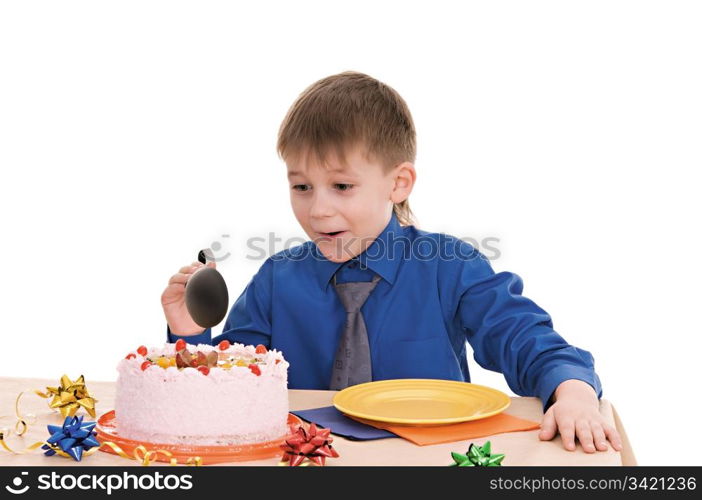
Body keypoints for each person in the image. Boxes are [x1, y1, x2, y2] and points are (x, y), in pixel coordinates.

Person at [161, 71, 622, 454]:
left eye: (341, 186)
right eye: (301, 187)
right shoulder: (277, 279)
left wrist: (573, 392)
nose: (317, 210)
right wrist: (188, 333)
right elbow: (230, 386)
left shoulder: (451, 266)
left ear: (399, 183)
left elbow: (525, 338)